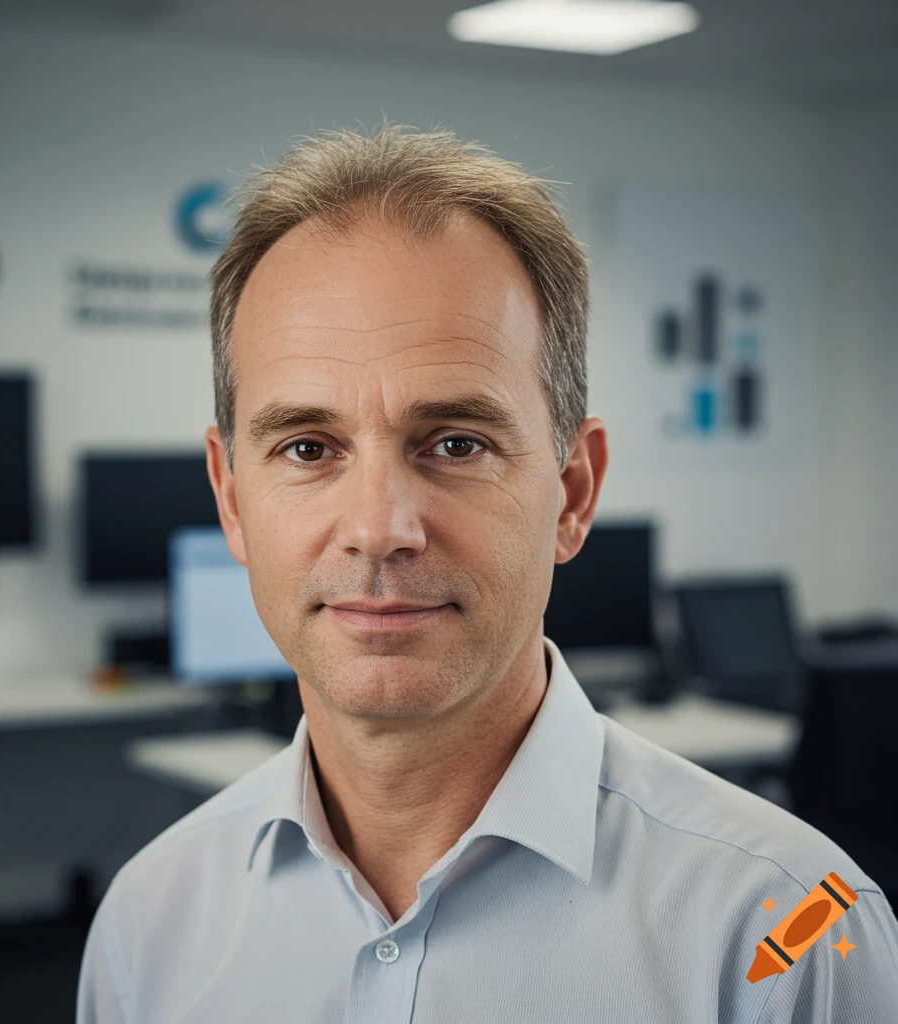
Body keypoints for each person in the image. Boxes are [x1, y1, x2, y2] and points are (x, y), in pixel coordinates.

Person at [77, 123, 898, 1023]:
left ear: (573, 493)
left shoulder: (788, 933)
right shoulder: (147, 927)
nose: (379, 530)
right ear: (232, 500)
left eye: (457, 443)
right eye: (308, 447)